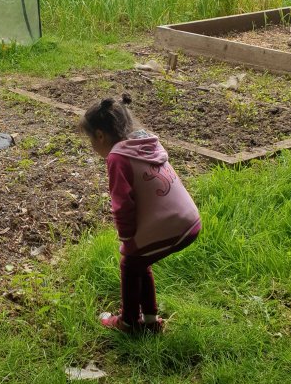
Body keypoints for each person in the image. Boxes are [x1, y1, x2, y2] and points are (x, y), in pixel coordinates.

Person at [81, 93, 201, 334]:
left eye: (90, 140)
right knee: (140, 262)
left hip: (171, 225)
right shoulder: (145, 143)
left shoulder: (117, 157)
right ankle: (149, 320)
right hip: (189, 220)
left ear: (100, 136)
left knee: (130, 263)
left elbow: (122, 204)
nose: (92, 146)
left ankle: (128, 322)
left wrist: (128, 240)